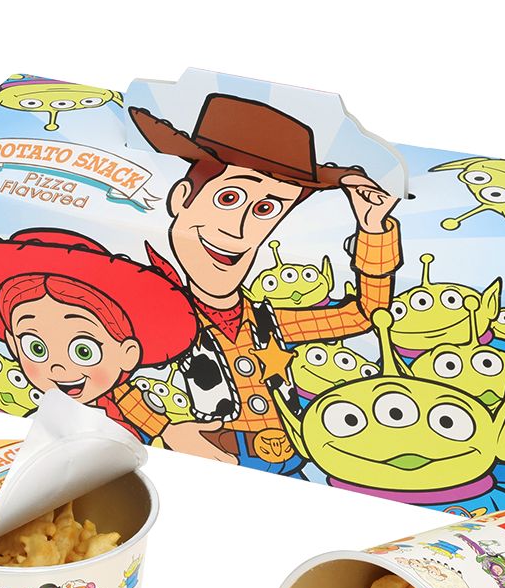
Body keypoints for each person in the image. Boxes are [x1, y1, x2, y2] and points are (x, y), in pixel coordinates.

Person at [121, 93, 402, 473]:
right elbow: (105, 373)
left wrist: (373, 228)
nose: (237, 231)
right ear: (183, 198)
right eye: (229, 197)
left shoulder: (269, 321)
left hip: (294, 460)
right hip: (199, 459)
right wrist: (164, 428)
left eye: (265, 209)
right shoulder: (156, 318)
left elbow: (366, 314)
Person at [0, 230, 199, 438]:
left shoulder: (125, 425)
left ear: (128, 353)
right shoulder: (32, 417)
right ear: (13, 345)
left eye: (83, 351)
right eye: (36, 348)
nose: (58, 368)